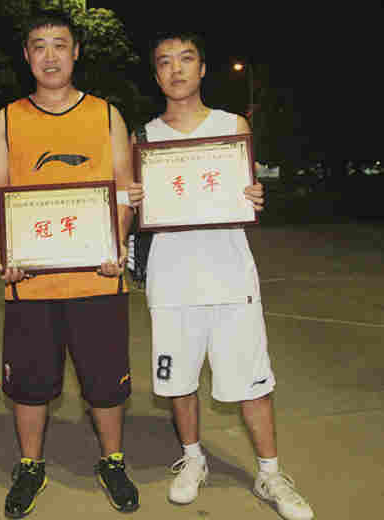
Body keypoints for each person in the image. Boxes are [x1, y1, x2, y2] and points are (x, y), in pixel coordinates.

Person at [128, 32, 314, 520]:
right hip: (171, 278)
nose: (176, 69)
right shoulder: (143, 137)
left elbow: (243, 190)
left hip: (230, 275)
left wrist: (254, 196)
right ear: (156, 75)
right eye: (164, 62)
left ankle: (270, 472)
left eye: (185, 59)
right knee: (179, 381)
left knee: (252, 382)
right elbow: (129, 208)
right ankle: (193, 459)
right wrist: (129, 201)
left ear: (202, 68)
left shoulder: (232, 126)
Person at [0, 10, 138, 518]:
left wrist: (117, 242)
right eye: (39, 46)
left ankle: (112, 461)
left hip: (98, 276)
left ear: (76, 53)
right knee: (29, 385)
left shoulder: (106, 114)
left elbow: (123, 188)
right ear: (26, 56)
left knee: (104, 382)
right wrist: (7, 248)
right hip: (31, 281)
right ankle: (31, 465)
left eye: (60, 45)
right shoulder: (7, 119)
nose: (50, 56)